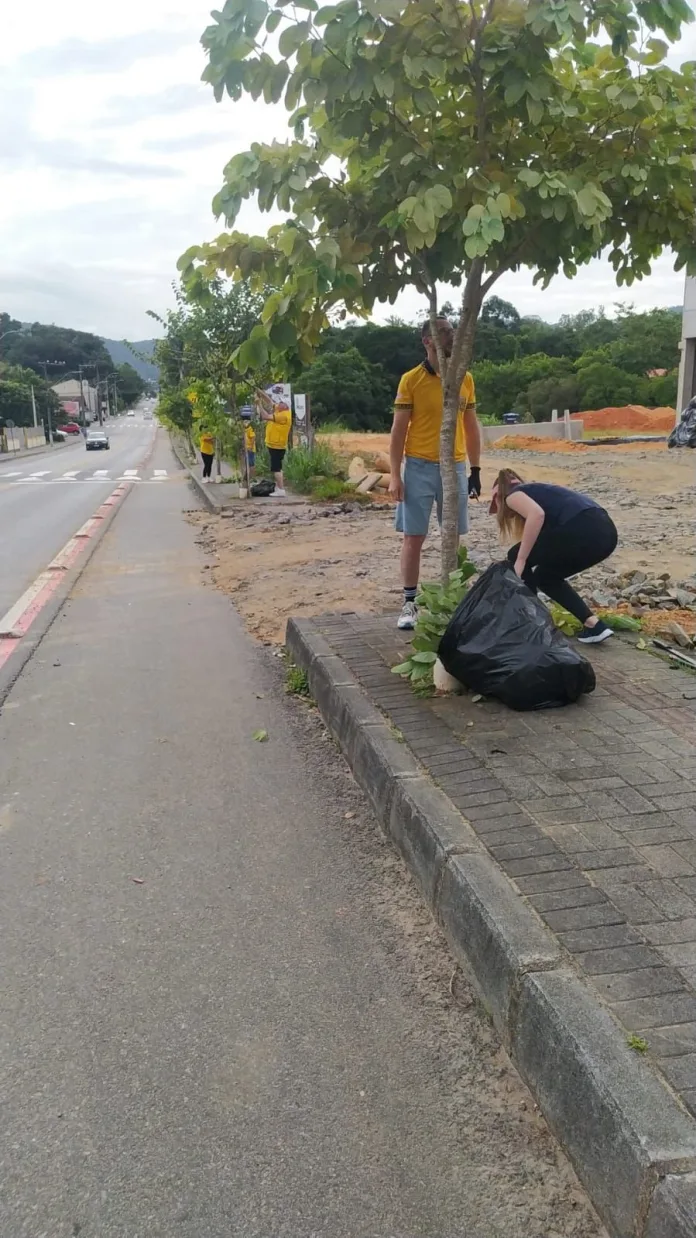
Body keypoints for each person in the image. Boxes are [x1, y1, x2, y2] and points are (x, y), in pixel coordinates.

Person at [388, 317, 482, 630]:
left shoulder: (464, 378)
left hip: (454, 467)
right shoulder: (411, 380)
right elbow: (398, 431)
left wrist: (475, 469)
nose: (451, 335)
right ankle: (409, 602)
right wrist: (395, 475)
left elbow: (471, 425)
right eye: (443, 332)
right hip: (419, 466)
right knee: (414, 536)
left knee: (453, 535)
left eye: (452, 330)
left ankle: (452, 599)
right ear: (427, 341)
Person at [490, 468, 619, 644]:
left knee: (515, 554)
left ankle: (532, 623)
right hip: (606, 534)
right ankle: (594, 625)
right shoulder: (540, 493)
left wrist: (521, 560)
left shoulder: (512, 495)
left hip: (584, 528)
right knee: (546, 577)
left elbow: (536, 514)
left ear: (498, 496)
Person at [260, 399, 292, 497]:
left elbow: (265, 416)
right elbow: (270, 401)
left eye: (281, 403)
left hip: (277, 445)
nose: (279, 404)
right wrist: (261, 393)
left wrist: (259, 404)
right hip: (274, 444)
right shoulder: (280, 410)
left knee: (276, 468)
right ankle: (279, 487)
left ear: (286, 406)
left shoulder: (283, 415)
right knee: (278, 467)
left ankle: (281, 490)